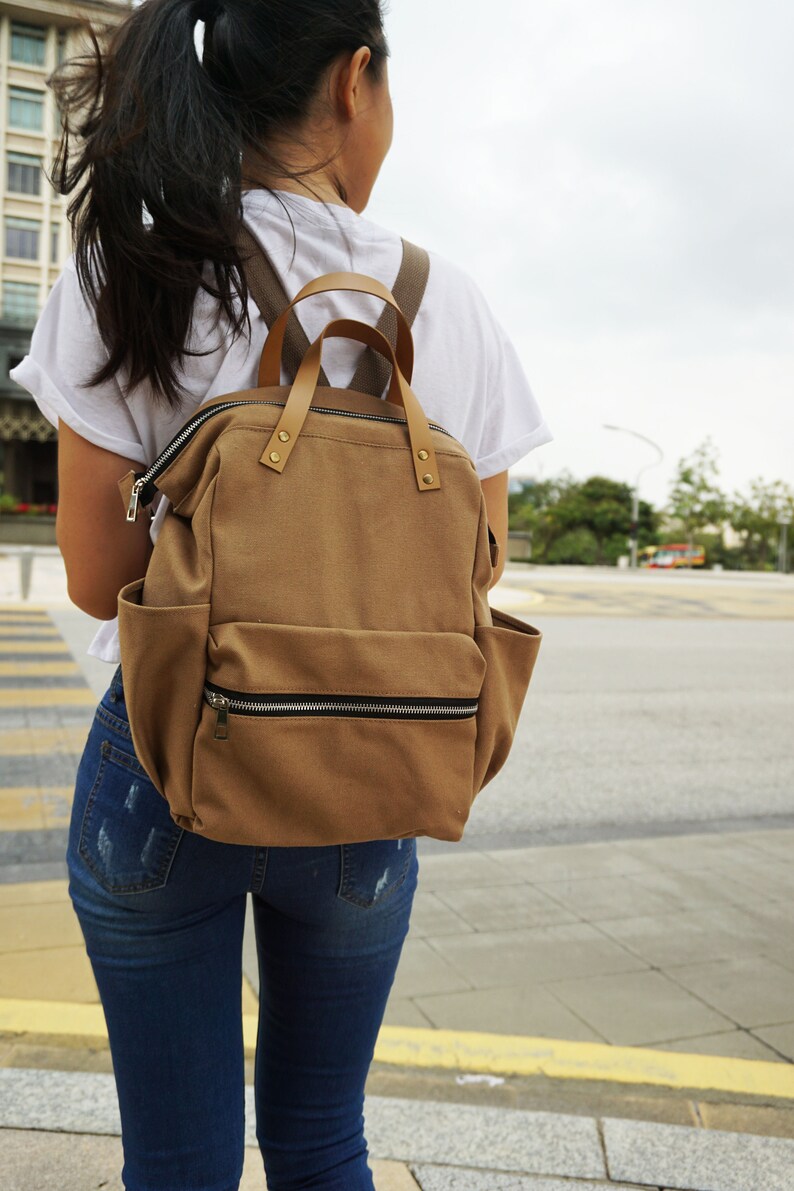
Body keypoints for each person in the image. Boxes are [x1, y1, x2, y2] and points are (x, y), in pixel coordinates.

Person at [11, 1, 551, 1187]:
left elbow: (101, 585)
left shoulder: (126, 271)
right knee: (320, 1141)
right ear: (356, 81)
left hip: (166, 769)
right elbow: (482, 566)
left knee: (179, 1161)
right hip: (372, 773)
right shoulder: (443, 301)